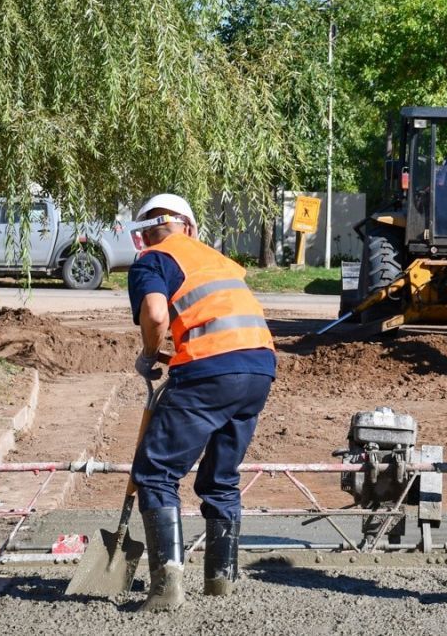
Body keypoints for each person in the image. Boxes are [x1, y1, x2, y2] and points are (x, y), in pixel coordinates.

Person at [126, 193, 276, 612]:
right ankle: (220, 582)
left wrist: (146, 355)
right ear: (190, 227)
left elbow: (156, 315)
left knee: (155, 473)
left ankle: (166, 589)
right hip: (259, 369)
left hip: (210, 371)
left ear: (144, 235)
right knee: (221, 480)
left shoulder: (154, 259)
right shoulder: (219, 260)